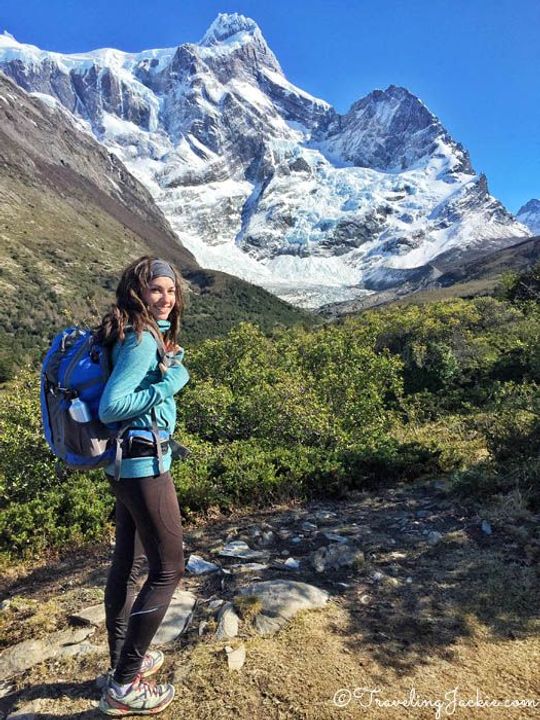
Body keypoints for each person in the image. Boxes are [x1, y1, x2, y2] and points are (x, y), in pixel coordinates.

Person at [94, 255, 190, 716]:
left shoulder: (133, 332)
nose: (166, 298)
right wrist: (170, 382)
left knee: (128, 566)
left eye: (171, 291)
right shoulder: (139, 339)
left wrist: (164, 366)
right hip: (142, 466)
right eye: (157, 290)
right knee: (169, 568)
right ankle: (125, 684)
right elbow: (114, 405)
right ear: (137, 291)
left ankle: (122, 662)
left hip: (124, 465)